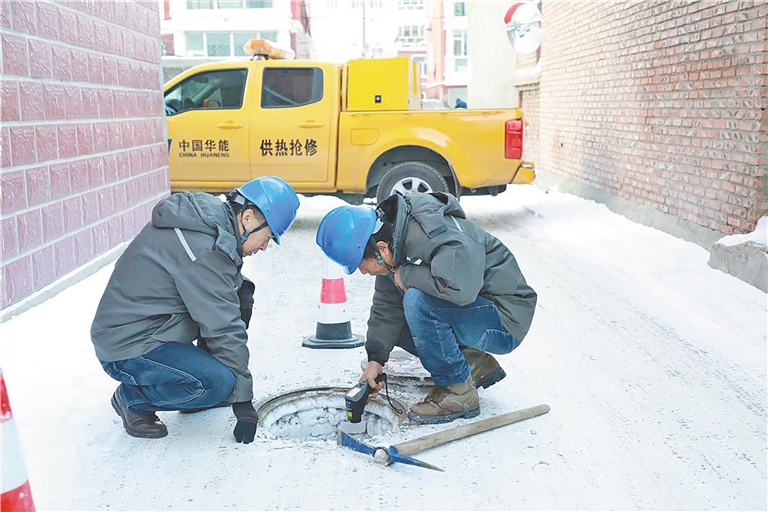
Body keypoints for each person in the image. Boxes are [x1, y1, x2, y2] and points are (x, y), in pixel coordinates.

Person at [90, 176, 300, 443]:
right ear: (247, 218)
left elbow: (219, 293)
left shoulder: (209, 224)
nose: (264, 247)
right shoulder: (204, 248)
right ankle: (132, 399)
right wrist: (243, 400)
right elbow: (223, 325)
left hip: (147, 326)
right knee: (219, 382)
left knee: (240, 294)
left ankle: (195, 384)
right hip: (127, 347)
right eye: (267, 237)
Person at [316, 192, 537, 424]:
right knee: (399, 319)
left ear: (381, 249)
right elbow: (386, 307)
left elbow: (461, 288)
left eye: (362, 265)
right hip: (476, 311)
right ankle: (472, 363)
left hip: (505, 318)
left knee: (417, 301)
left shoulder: (433, 232)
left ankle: (457, 391)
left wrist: (407, 274)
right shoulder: (393, 245)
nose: (363, 272)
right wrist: (375, 361)